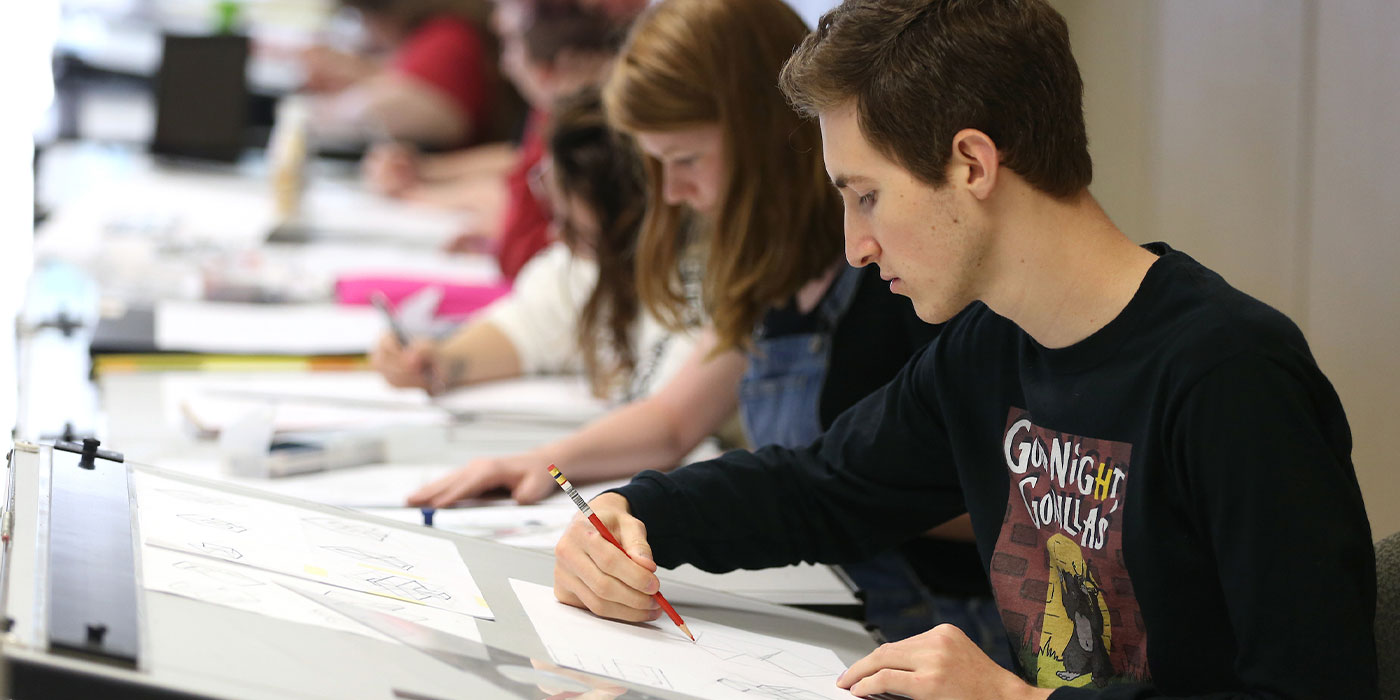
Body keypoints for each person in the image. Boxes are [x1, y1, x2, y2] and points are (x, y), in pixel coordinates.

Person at [551, 1, 1378, 698]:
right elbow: (822, 487)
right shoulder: (988, 349)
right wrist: (634, 513)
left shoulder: (1231, 375)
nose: (856, 247)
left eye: (867, 196)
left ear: (972, 164)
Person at [406, 0, 1004, 656]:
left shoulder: (909, 276)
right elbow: (674, 418)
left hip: (941, 623)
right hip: (844, 599)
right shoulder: (776, 267)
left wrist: (849, 496)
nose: (669, 193)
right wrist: (551, 469)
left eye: (686, 158)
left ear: (763, 133)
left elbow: (903, 491)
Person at [371, 88, 700, 475]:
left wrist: (545, 465)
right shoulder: (591, 268)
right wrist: (439, 361)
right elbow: (526, 327)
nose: (557, 237)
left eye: (575, 228)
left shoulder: (700, 289)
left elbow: (670, 426)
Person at [362, 0, 635, 280]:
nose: (505, 65)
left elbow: (520, 212)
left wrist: (420, 191)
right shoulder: (552, 110)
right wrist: (426, 171)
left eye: (510, 43)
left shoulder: (586, 122)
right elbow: (517, 166)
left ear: (560, 62)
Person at [302, 0, 506, 148]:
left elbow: (384, 109)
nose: (367, 33)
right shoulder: (425, 38)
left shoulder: (449, 36)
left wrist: (319, 110)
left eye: (363, 18)